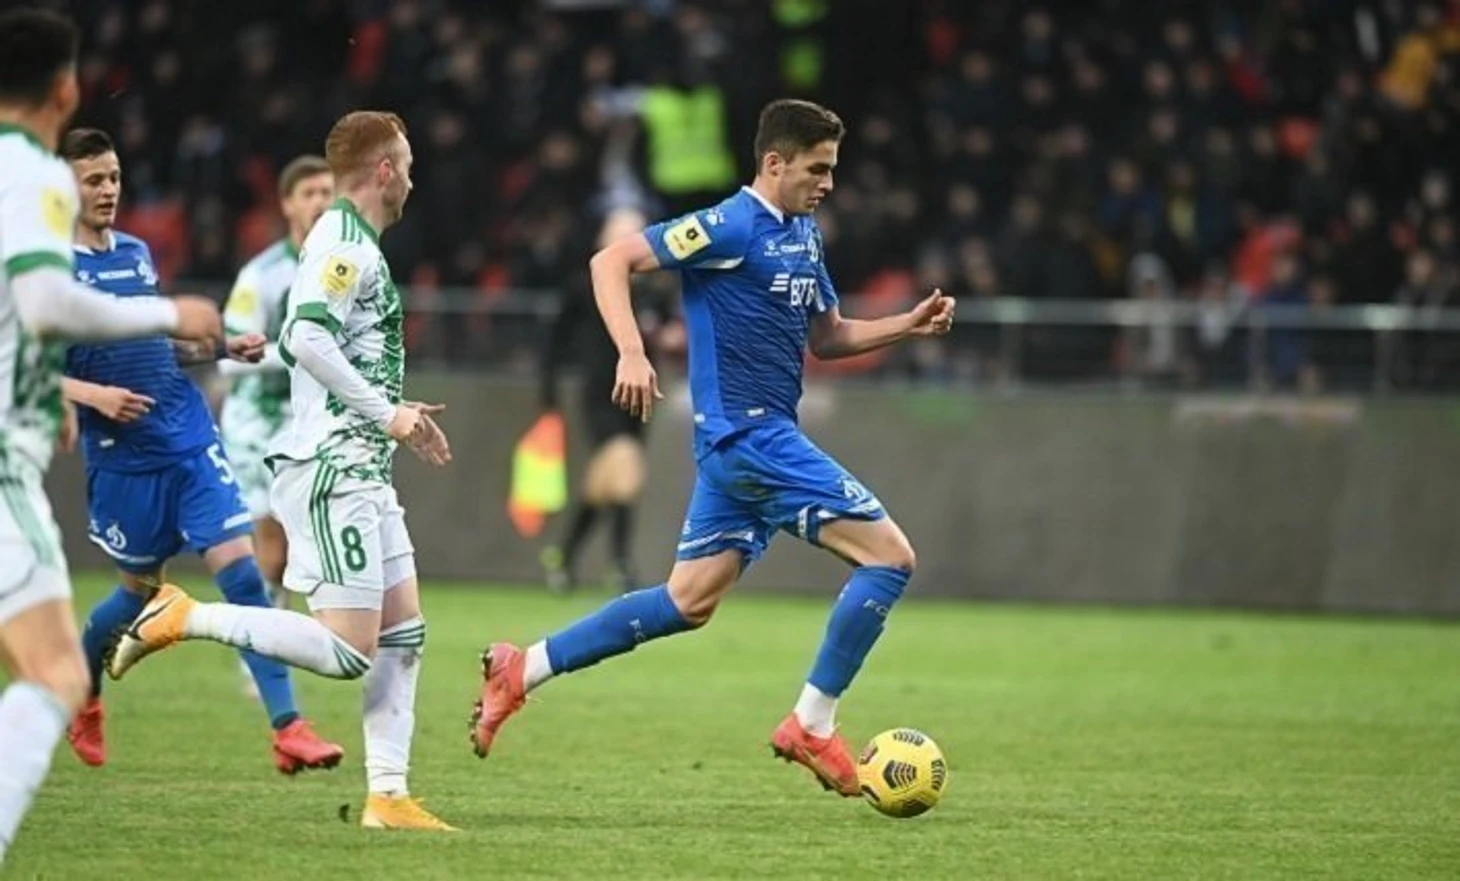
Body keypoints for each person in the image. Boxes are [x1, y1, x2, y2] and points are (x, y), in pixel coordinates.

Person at [468, 99, 955, 796]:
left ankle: (524, 668)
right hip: (752, 438)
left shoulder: (803, 235)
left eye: (832, 169)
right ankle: (812, 723)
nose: (828, 183)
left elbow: (829, 337)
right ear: (774, 163)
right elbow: (611, 260)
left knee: (686, 602)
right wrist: (631, 351)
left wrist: (906, 324)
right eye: (817, 169)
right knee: (890, 558)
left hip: (750, 445)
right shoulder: (729, 225)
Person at [107, 111, 458, 831]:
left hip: (362, 465)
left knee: (404, 633)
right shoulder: (344, 243)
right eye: (407, 163)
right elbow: (303, 336)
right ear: (384, 170)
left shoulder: (351, 240)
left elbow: (336, 348)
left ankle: (388, 797)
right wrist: (384, 412)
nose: (413, 178)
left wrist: (393, 411)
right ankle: (186, 615)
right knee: (350, 650)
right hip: (332, 467)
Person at [0, 8, 221, 864]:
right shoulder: (34, 174)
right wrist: (169, 313)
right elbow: (46, 303)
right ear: (65, 88)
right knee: (59, 675)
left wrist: (47, 383)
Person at [58, 128, 343, 773]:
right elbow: (25, 366)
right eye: (93, 180)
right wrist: (93, 396)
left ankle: (288, 726)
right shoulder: (48, 271)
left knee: (242, 573)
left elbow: (154, 347)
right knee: (136, 592)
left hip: (187, 437)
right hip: (123, 457)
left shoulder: (135, 253)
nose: (108, 190)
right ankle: (84, 693)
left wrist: (217, 348)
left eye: (113, 177)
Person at [217, 155, 333, 694]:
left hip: (311, 424)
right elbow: (227, 358)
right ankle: (259, 654)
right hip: (258, 425)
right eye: (309, 193)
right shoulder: (261, 276)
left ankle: (270, 642)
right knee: (274, 545)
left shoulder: (345, 268)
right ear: (287, 204)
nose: (320, 202)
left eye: (327, 192)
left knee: (302, 548)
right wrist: (296, 352)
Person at [538, 200, 675, 593]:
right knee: (627, 468)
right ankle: (621, 562)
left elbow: (667, 329)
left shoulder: (654, 290)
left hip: (642, 394)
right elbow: (555, 340)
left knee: (605, 481)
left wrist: (671, 337)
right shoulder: (585, 286)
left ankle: (563, 554)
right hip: (601, 391)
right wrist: (548, 390)